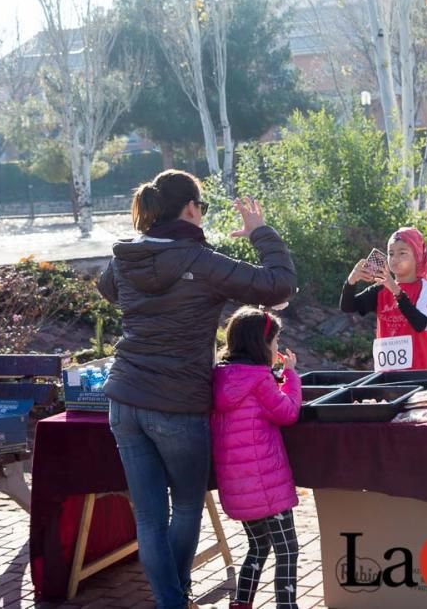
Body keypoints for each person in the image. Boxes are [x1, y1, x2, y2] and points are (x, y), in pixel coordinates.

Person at [97, 169, 296, 609]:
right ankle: (176, 600)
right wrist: (261, 233)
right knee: (185, 507)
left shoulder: (126, 256)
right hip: (176, 402)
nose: (201, 215)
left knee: (149, 517)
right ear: (190, 209)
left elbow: (107, 288)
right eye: (201, 208)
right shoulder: (199, 262)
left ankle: (172, 602)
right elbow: (278, 284)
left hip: (124, 399)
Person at [212, 307, 301, 609]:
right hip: (267, 486)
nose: (277, 348)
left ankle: (241, 603)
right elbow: (287, 412)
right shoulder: (260, 379)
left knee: (258, 545)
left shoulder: (219, 377)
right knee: (287, 549)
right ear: (261, 344)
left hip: (238, 487)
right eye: (275, 341)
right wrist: (290, 376)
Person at [340, 226, 427, 370]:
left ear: (417, 256)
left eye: (402, 253)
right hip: (386, 371)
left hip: (418, 369)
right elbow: (348, 306)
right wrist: (351, 280)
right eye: (391, 253)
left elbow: (420, 324)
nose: (395, 259)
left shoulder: (426, 287)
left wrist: (395, 289)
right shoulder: (380, 288)